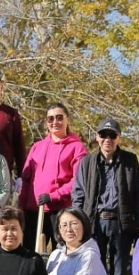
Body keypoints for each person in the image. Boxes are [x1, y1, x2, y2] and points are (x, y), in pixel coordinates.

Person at [71, 118, 139, 275]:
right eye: (103, 135)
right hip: (95, 225)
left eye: (112, 135)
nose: (107, 139)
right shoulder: (87, 163)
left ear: (118, 138)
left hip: (120, 225)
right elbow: (78, 195)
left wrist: (137, 227)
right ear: (97, 138)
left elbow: (138, 195)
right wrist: (80, 222)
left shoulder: (130, 161)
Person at [19, 104, 87, 251]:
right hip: (34, 211)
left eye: (59, 117)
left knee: (61, 252)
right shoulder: (37, 147)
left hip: (60, 211)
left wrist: (53, 196)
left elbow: (77, 181)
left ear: (67, 119)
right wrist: (22, 206)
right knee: (30, 252)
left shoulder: (77, 147)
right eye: (50, 118)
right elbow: (26, 179)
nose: (55, 122)